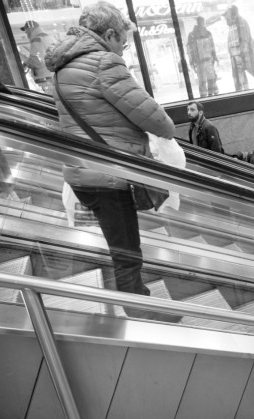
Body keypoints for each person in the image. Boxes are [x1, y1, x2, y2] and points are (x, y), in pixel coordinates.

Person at [45, 1, 177, 320]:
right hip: (108, 175)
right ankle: (140, 312)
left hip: (82, 173)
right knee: (127, 251)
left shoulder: (64, 65)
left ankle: (139, 300)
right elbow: (161, 123)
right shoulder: (104, 63)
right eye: (124, 42)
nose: (124, 50)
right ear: (109, 34)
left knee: (120, 244)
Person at [223, 5, 254, 91]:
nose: (226, 19)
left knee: (253, 72)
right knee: (240, 75)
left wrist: (242, 55)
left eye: (227, 16)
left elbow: (244, 40)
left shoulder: (240, 22)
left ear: (233, 14)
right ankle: (244, 91)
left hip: (245, 54)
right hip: (238, 55)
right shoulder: (234, 24)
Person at [21, 20, 58, 94]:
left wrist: (21, 57)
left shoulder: (37, 40)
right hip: (53, 77)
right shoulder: (48, 37)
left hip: (46, 81)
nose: (26, 32)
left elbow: (36, 62)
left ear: (31, 28)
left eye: (26, 30)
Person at [187, 16, 218, 97]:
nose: (203, 24)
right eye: (203, 22)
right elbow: (212, 46)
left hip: (200, 62)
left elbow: (189, 50)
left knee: (203, 81)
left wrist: (191, 62)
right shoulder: (207, 33)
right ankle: (212, 95)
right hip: (207, 61)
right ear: (202, 22)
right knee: (210, 79)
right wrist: (215, 57)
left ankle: (204, 97)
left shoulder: (192, 35)